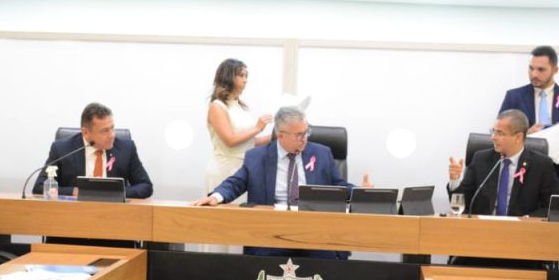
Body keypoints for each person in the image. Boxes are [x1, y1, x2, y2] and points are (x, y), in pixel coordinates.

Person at [193, 105, 370, 259]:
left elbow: (338, 186)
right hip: (272, 231)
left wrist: (361, 192)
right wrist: (216, 197)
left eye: (306, 132)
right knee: (262, 259)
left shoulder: (321, 154)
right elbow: (236, 183)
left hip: (313, 231)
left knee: (326, 258)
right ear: (280, 135)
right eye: (299, 134)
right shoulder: (257, 157)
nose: (304, 138)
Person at [498, 45, 559, 195]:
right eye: (531, 68)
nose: (534, 74)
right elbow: (499, 135)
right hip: (522, 172)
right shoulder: (514, 97)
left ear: (555, 70)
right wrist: (525, 134)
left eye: (541, 70)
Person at [447, 109, 559, 217]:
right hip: (484, 226)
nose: (493, 137)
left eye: (500, 133)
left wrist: (526, 220)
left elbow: (550, 207)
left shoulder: (541, 165)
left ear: (518, 137)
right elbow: (463, 202)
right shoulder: (480, 159)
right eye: (493, 131)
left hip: (521, 227)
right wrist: (455, 180)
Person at [33, 102, 153, 198]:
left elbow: (146, 186)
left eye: (112, 128)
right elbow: (40, 187)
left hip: (115, 213)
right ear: (86, 132)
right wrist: (74, 191)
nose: (111, 135)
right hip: (74, 214)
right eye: (104, 131)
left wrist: (114, 193)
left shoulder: (126, 148)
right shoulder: (62, 149)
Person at [205, 58, 272, 199]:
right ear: (228, 77)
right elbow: (230, 140)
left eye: (246, 76)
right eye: (241, 75)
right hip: (224, 168)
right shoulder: (217, 106)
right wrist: (258, 128)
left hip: (243, 170)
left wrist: (275, 135)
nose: (245, 80)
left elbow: (249, 143)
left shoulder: (240, 107)